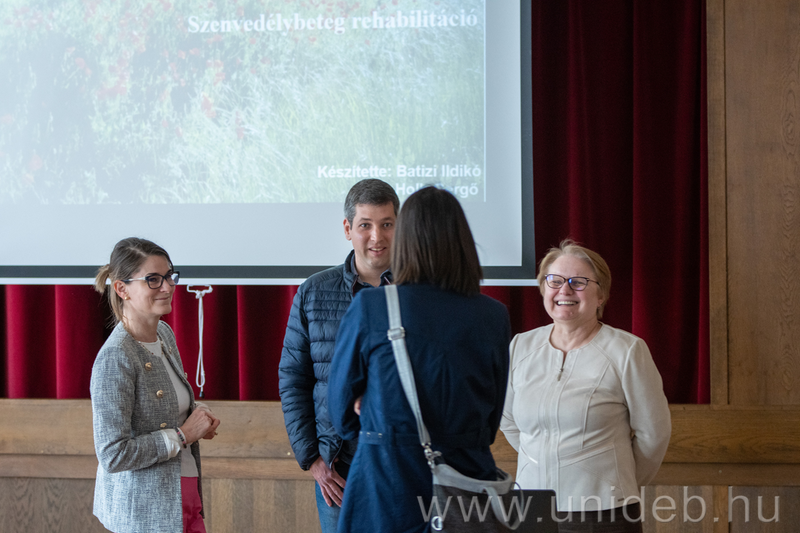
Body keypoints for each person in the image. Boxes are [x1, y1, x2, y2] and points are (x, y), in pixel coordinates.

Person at [328, 186, 512, 533]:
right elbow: (490, 424)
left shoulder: (372, 307)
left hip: (387, 489)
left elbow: (341, 416)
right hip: (466, 491)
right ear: (462, 241)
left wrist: (376, 409)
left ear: (405, 240)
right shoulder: (493, 315)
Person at [500, 239, 671, 532]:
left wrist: (618, 482)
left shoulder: (627, 351)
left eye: (578, 282)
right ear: (543, 288)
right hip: (532, 507)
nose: (564, 290)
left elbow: (653, 434)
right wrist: (544, 464)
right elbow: (508, 421)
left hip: (603, 510)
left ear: (601, 294)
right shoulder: (520, 346)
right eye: (554, 281)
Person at [278, 178, 400, 532]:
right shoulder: (313, 292)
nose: (376, 237)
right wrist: (312, 460)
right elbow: (293, 380)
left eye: (387, 224)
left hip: (405, 461)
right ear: (348, 229)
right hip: (338, 466)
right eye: (365, 225)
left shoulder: (419, 292)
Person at [90, 237, 220, 533]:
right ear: (122, 289)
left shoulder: (164, 333)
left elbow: (165, 405)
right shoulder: (115, 356)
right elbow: (113, 454)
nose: (167, 286)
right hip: (144, 512)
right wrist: (183, 434)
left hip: (181, 490)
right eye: (153, 279)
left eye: (169, 276)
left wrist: (197, 415)